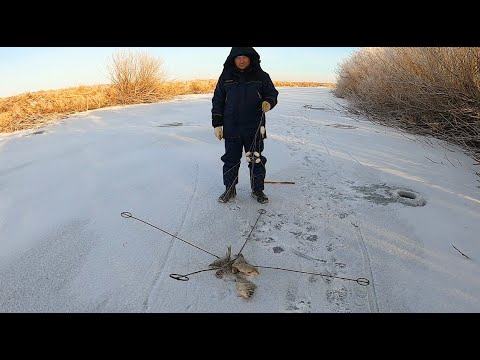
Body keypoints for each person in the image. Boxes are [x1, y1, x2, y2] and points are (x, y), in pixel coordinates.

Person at [211, 47, 279, 204]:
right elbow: (218, 100)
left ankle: (257, 190)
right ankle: (230, 189)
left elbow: (272, 94)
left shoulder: (261, 76)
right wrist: (217, 124)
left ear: (250, 58)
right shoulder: (226, 77)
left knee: (256, 159)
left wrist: (268, 102)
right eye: (238, 57)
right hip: (232, 127)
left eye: (244, 57)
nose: (241, 60)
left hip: (254, 127)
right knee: (230, 160)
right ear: (233, 59)